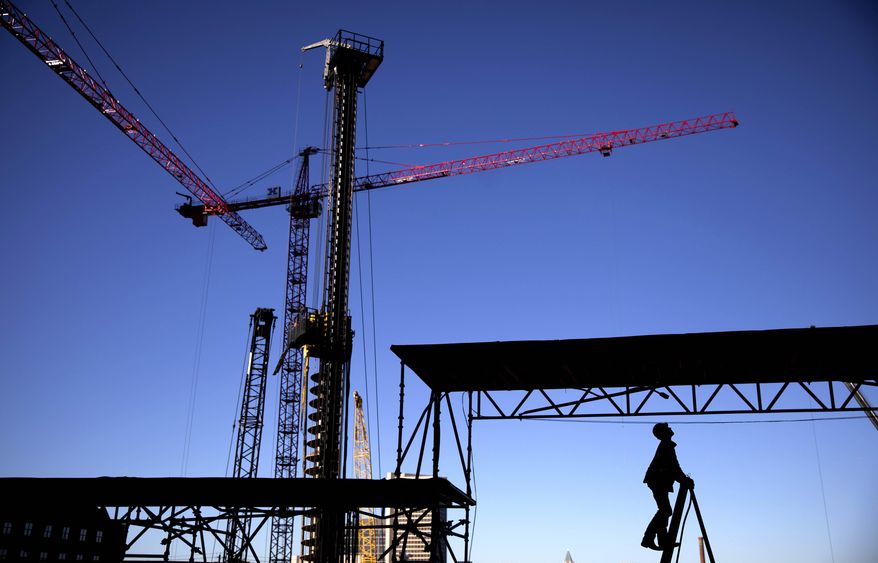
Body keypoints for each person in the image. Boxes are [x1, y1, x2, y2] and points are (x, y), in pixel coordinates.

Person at [641, 422, 694, 551]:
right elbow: (673, 466)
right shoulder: (666, 446)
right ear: (662, 433)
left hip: (658, 481)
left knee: (665, 510)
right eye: (667, 428)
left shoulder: (666, 446)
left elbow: (673, 467)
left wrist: (683, 479)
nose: (670, 429)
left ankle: (662, 541)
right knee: (665, 511)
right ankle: (648, 539)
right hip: (657, 480)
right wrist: (683, 480)